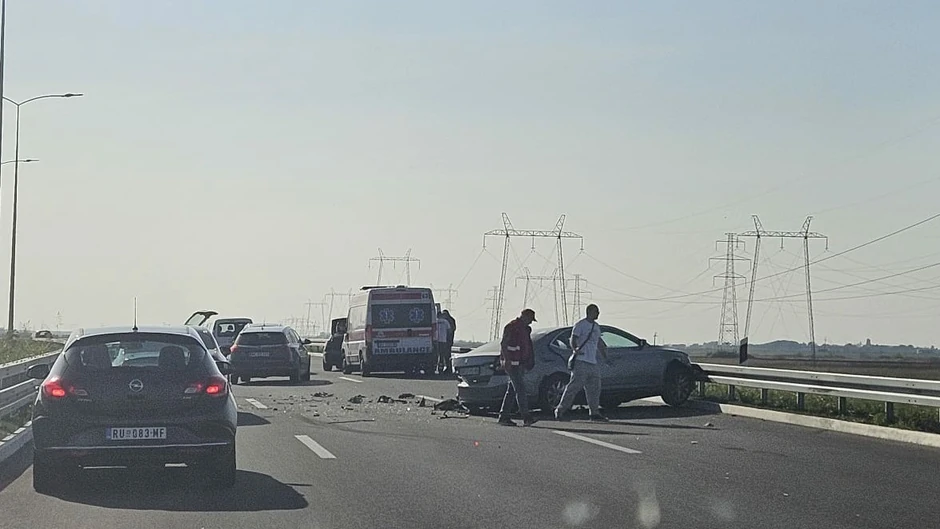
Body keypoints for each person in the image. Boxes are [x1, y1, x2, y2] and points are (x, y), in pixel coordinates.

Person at [554, 304, 610, 422]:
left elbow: (599, 342)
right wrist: (575, 349)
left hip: (592, 362)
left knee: (594, 388)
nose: (598, 314)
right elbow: (573, 339)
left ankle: (594, 412)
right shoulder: (580, 325)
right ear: (590, 312)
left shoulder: (596, 326)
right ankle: (560, 410)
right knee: (574, 387)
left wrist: (605, 357)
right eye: (596, 311)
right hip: (581, 361)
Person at [497, 308, 538, 427]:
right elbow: (504, 344)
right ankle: (526, 417)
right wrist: (506, 360)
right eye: (530, 319)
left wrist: (528, 361)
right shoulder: (512, 327)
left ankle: (504, 416)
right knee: (520, 389)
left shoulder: (525, 329)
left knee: (511, 391)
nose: (530, 322)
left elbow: (527, 347)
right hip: (512, 364)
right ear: (524, 316)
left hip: (520, 364)